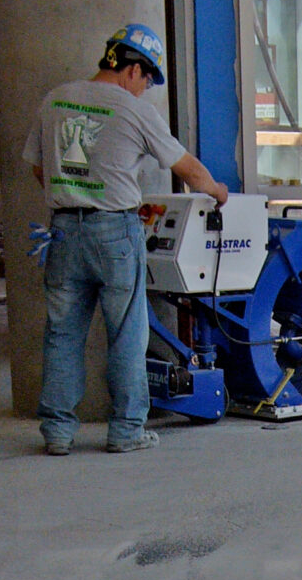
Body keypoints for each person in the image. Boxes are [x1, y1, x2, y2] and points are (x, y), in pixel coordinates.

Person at [23, 24, 228, 455]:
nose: (145, 90)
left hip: (62, 231)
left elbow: (38, 167)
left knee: (62, 334)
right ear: (133, 69)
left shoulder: (55, 99)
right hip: (115, 232)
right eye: (148, 80)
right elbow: (185, 167)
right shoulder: (132, 110)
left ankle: (58, 431)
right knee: (127, 334)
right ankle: (126, 430)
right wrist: (217, 191)